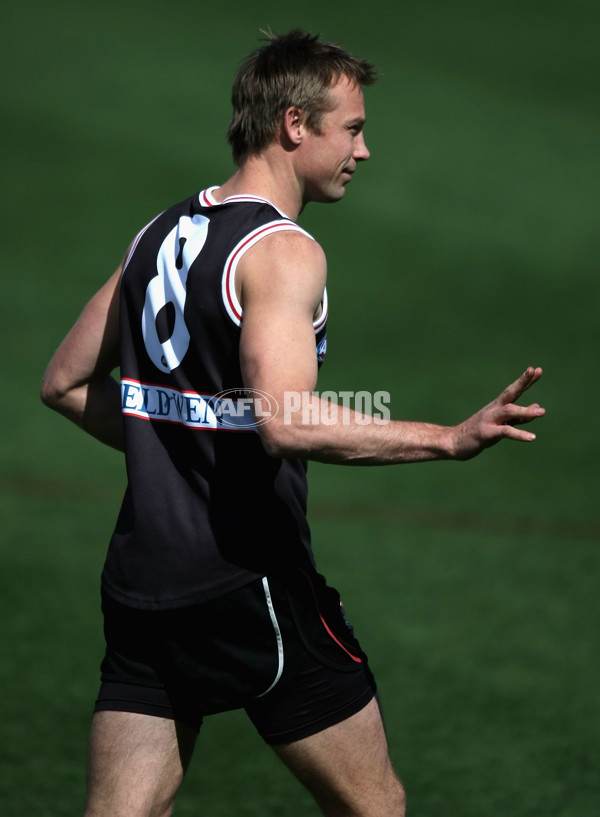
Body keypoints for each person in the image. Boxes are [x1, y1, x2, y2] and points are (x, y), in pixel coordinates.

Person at [41, 29, 545, 817]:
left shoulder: (160, 232)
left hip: (144, 583)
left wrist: (173, 438)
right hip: (251, 584)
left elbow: (66, 383)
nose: (365, 150)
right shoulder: (283, 251)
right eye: (352, 127)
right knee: (373, 806)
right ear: (295, 125)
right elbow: (284, 422)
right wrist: (445, 438)